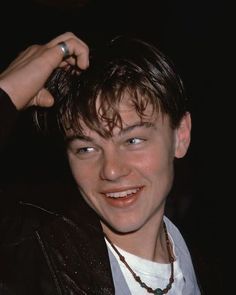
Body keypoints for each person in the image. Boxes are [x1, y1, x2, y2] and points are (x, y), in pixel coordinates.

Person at [0, 32, 201, 294]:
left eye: (133, 141)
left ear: (180, 136)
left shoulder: (213, 265)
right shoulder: (31, 257)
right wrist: (6, 91)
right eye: (87, 148)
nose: (111, 170)